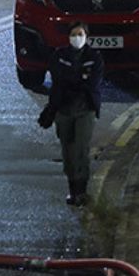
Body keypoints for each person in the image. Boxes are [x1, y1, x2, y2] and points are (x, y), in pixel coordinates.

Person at [37, 23, 103, 206]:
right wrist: (77, 80)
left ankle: (81, 191)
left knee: (81, 150)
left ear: (86, 36)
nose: (76, 37)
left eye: (80, 34)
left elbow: (91, 83)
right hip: (63, 111)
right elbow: (58, 79)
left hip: (85, 111)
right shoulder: (60, 56)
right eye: (73, 34)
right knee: (68, 151)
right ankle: (72, 191)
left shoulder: (94, 57)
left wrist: (72, 82)